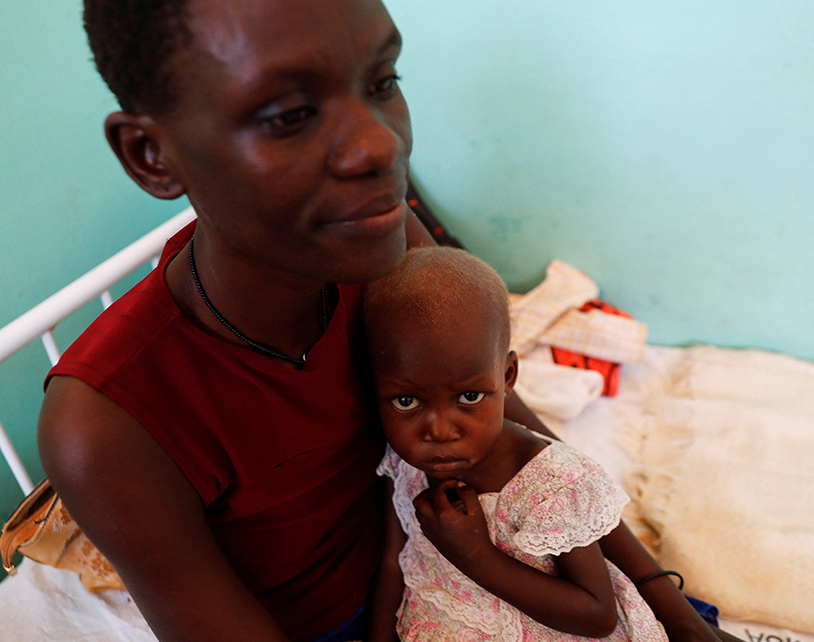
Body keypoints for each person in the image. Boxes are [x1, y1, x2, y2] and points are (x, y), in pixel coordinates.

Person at [38, 0, 737, 640]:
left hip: (489, 563)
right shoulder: (108, 424)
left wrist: (665, 601)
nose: (378, 146)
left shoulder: (383, 245)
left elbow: (509, 425)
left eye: (381, 82)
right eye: (288, 114)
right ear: (151, 154)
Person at [362, 247, 737, 642]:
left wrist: (475, 556)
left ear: (508, 376)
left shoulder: (549, 482)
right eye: (407, 401)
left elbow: (597, 615)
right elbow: (394, 562)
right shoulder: (402, 459)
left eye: (469, 397)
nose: (438, 431)